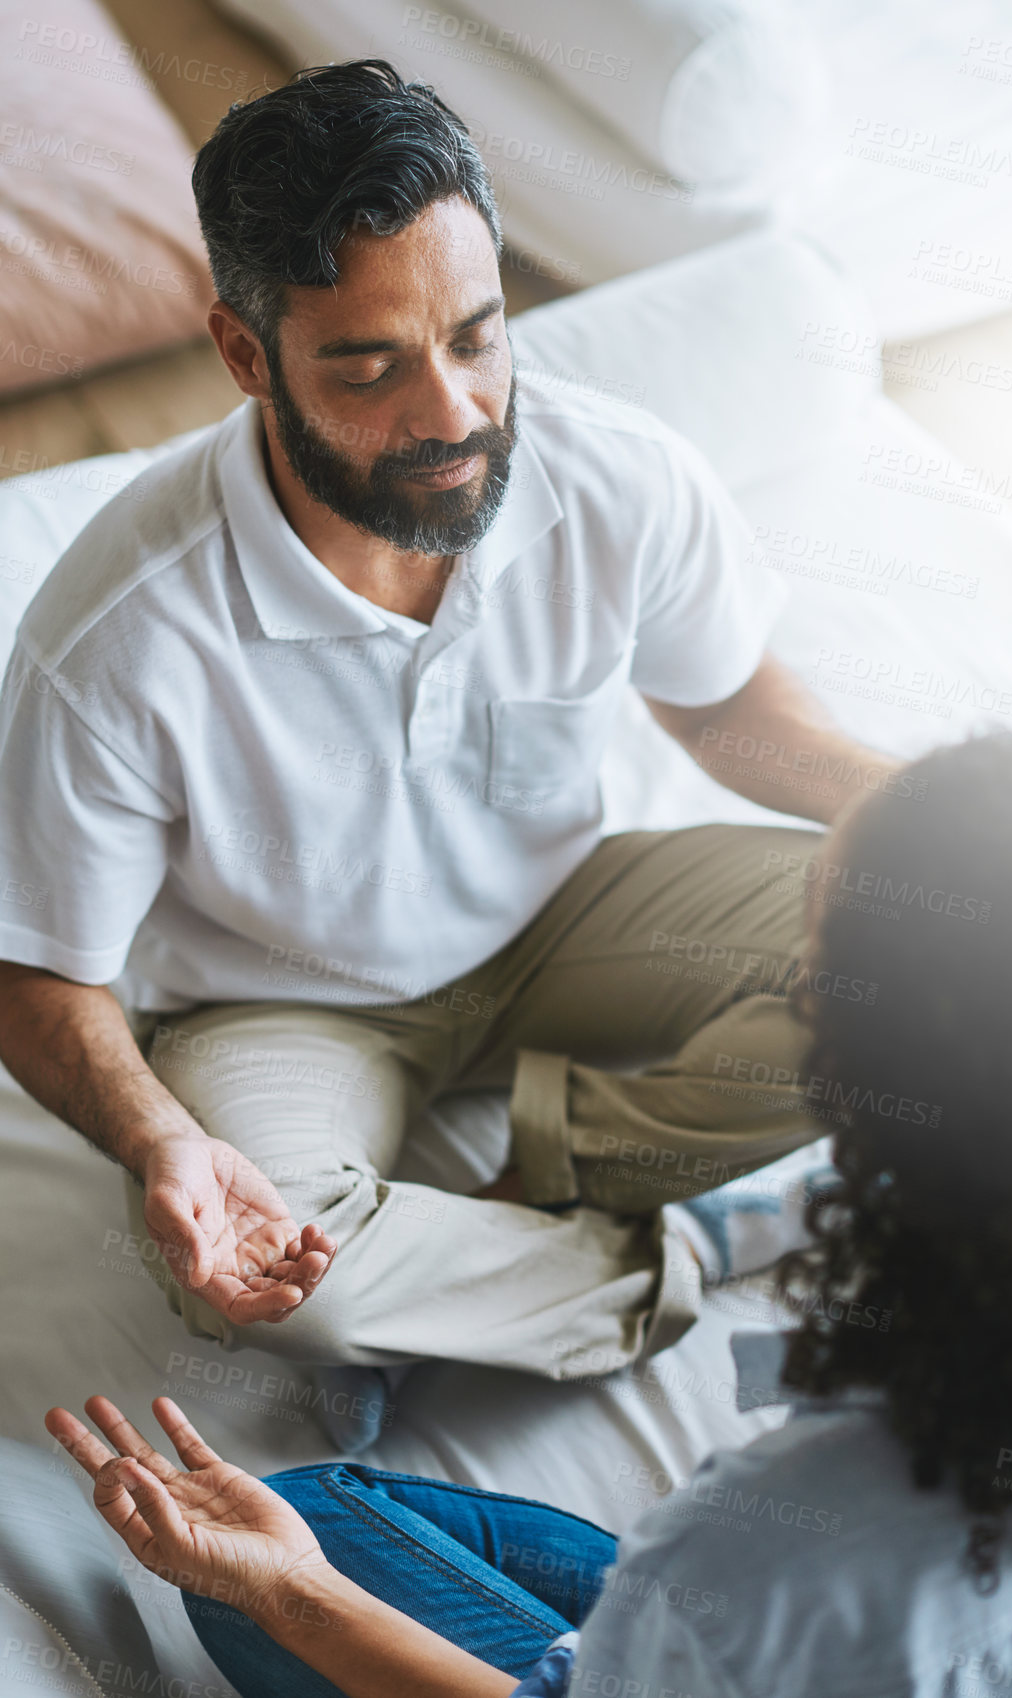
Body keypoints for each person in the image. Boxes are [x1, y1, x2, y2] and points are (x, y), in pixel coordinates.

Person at [0, 57, 901, 1427]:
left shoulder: (619, 477)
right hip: (281, 1006)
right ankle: (684, 1249)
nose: (453, 415)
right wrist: (164, 1140)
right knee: (274, 1275)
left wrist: (947, 814)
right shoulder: (116, 640)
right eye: (370, 367)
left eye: (477, 337)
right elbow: (37, 970)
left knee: (941, 941)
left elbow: (732, 711)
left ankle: (533, 1194)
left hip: (566, 915)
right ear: (247, 357)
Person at [46, 729, 1012, 1696]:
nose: (796, 991)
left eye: (818, 980)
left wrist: (286, 1594)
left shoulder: (775, 1546)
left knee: (301, 1537)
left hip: (785, 1625)